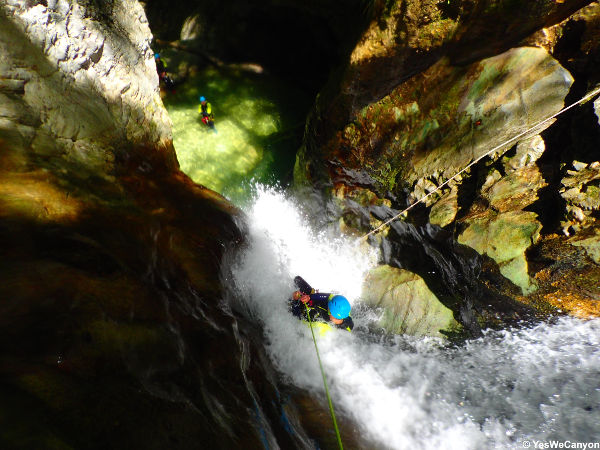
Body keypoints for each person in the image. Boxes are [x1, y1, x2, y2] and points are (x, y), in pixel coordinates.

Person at [289, 276, 354, 332]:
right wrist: (309, 297)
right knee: (297, 279)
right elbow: (329, 296)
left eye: (329, 307)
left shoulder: (324, 325)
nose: (328, 304)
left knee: (289, 305)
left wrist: (295, 300)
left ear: (331, 314)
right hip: (313, 299)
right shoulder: (345, 313)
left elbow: (297, 317)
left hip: (307, 312)